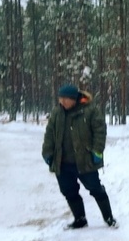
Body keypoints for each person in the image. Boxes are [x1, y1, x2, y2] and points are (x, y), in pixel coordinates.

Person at [42, 84, 117, 229]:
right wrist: (47, 152)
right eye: (60, 98)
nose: (62, 102)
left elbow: (100, 132)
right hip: (63, 162)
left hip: (85, 161)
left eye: (66, 99)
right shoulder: (57, 113)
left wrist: (97, 151)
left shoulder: (90, 111)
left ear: (74, 99)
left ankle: (109, 218)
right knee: (69, 191)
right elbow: (49, 134)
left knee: (96, 189)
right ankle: (80, 219)